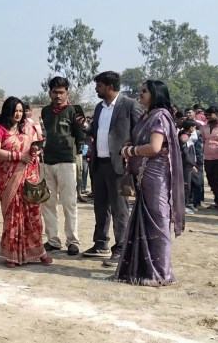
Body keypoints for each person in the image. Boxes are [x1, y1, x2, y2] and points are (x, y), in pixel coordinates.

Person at [114, 80, 185, 286]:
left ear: (155, 94)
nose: (140, 94)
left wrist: (129, 151)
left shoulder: (160, 116)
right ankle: (141, 269)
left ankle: (159, 272)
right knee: (144, 219)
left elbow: (154, 147)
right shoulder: (147, 115)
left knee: (158, 219)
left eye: (144, 91)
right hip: (142, 176)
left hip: (155, 177)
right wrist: (131, 145)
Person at [78, 71, 144, 266]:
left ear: (109, 86)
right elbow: (96, 131)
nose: (96, 89)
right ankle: (100, 243)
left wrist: (132, 157)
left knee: (119, 208)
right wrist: (85, 126)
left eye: (99, 86)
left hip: (119, 165)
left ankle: (121, 248)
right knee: (100, 206)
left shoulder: (130, 105)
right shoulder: (99, 107)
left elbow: (140, 132)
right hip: (99, 163)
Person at [0, 96, 52, 267]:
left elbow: (34, 149)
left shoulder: (28, 129)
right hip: (9, 180)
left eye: (20, 111)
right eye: (14, 111)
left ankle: (38, 251)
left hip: (28, 179)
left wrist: (34, 151)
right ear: (7, 111)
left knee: (33, 216)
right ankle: (12, 255)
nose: (17, 114)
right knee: (13, 217)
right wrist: (18, 156)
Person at [40, 77, 85, 256]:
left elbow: (80, 136)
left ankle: (72, 241)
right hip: (47, 161)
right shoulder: (45, 111)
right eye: (54, 92)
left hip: (67, 161)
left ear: (67, 93)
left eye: (61, 92)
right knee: (48, 203)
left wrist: (76, 153)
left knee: (69, 202)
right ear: (50, 93)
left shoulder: (74, 111)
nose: (58, 96)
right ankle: (53, 240)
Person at [179, 129, 197, 215]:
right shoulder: (182, 144)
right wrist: (193, 164)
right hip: (184, 168)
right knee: (185, 187)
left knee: (188, 187)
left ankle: (186, 204)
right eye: (185, 135)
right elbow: (186, 156)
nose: (186, 137)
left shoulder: (189, 143)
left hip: (188, 167)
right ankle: (183, 206)